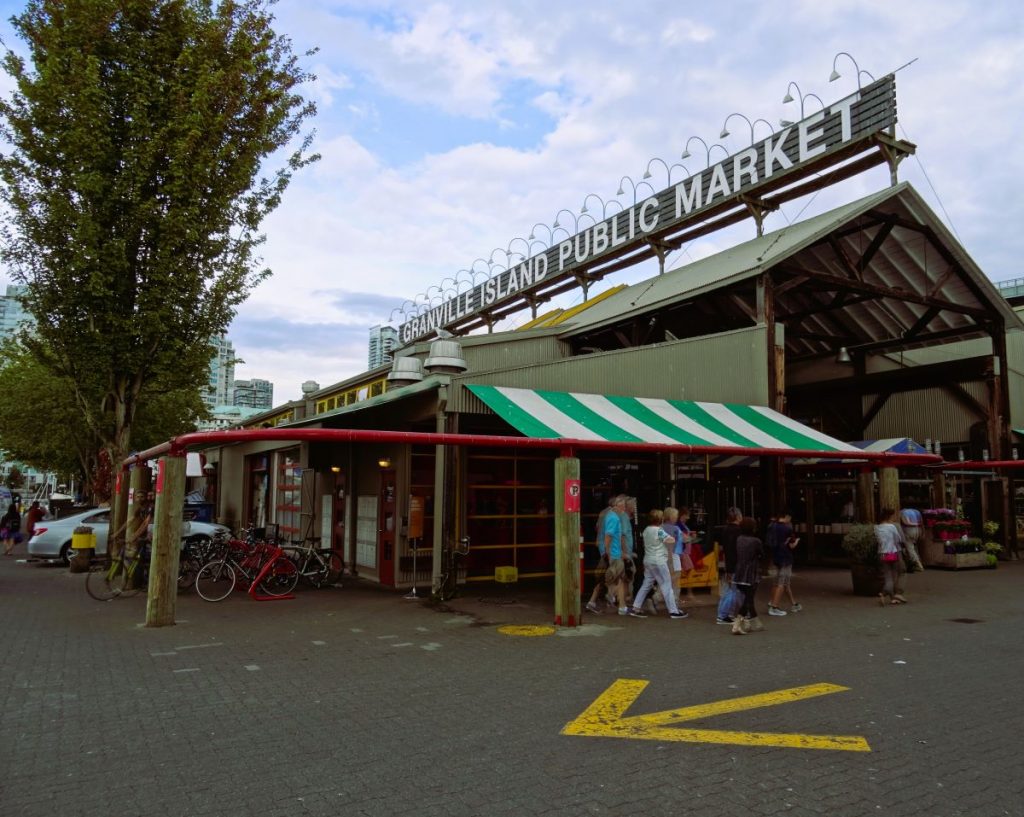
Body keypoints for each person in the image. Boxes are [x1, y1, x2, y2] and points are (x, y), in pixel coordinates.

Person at [629, 509, 688, 619]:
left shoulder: (646, 529)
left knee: (646, 584)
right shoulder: (659, 530)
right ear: (660, 519)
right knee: (666, 584)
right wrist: (675, 537)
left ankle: (636, 607)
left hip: (648, 560)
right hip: (659, 560)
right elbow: (670, 540)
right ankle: (673, 611)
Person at [600, 495, 634, 617]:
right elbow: (608, 536)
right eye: (622, 506)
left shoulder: (612, 517)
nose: (624, 508)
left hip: (616, 553)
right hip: (614, 553)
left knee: (619, 579)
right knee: (618, 579)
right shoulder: (614, 518)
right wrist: (608, 552)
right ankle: (612, 597)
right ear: (616, 506)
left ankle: (621, 606)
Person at [731, 516, 765, 635]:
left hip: (739, 571)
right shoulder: (756, 541)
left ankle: (754, 622)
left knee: (748, 598)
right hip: (751, 573)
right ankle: (737, 624)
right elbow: (761, 554)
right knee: (748, 598)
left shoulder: (739, 539)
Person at [585, 497, 617, 614]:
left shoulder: (603, 512)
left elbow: (597, 527)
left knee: (604, 575)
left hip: (603, 547)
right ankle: (610, 598)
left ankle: (597, 601)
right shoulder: (613, 515)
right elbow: (609, 534)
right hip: (609, 549)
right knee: (609, 575)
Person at [767, 510, 801, 616]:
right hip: (785, 557)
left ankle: (773, 602)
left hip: (775, 556)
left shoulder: (772, 526)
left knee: (776, 582)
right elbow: (791, 545)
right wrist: (796, 541)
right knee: (782, 583)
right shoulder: (787, 528)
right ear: (786, 517)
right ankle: (774, 607)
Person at [715, 507, 743, 624]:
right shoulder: (739, 531)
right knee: (733, 590)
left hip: (729, 562)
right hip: (736, 562)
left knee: (729, 589)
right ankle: (724, 615)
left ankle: (726, 613)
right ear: (738, 517)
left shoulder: (725, 530)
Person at [876, 507, 907, 605]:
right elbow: (899, 540)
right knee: (901, 571)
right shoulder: (893, 526)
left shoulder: (877, 527)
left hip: (882, 554)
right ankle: (896, 593)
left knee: (888, 575)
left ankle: (887, 595)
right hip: (893, 552)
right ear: (890, 516)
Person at [899, 506, 926, 572]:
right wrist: (923, 531)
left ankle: (918, 565)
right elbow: (922, 523)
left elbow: (906, 522)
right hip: (918, 530)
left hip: (909, 531)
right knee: (914, 547)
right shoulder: (917, 512)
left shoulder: (902, 512)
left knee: (910, 548)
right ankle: (918, 562)